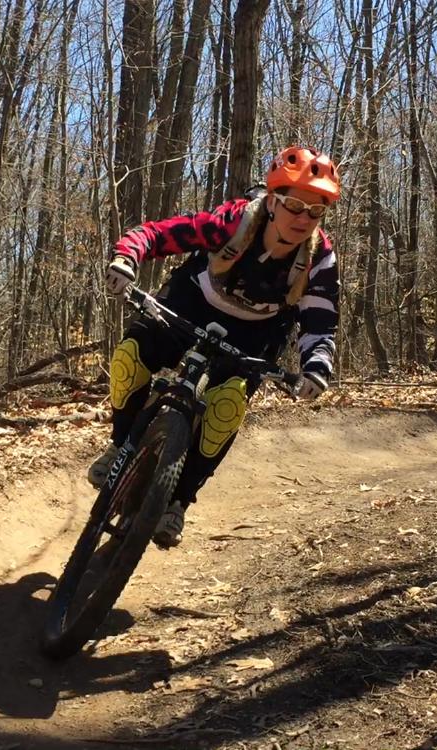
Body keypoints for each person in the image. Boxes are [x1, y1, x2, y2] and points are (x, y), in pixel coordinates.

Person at [89, 145, 342, 548]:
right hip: (192, 303)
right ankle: (120, 446)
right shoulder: (235, 221)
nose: (303, 219)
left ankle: (178, 502)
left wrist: (317, 366)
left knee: (227, 407)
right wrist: (126, 257)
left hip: (255, 334)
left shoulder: (319, 258)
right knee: (129, 358)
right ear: (273, 201)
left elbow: (321, 319)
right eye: (295, 205)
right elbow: (160, 233)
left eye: (315, 212)